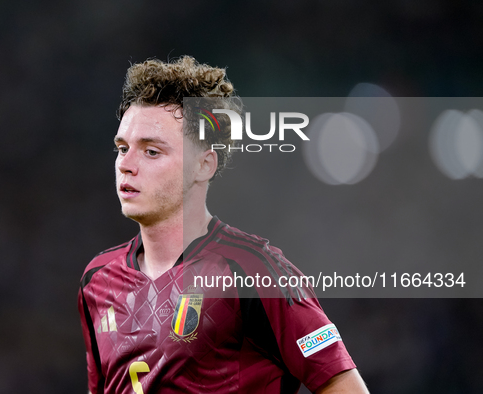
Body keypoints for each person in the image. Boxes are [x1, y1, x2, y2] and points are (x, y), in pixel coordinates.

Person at [78, 56, 369, 393]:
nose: (126, 165)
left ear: (204, 165)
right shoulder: (97, 281)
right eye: (122, 148)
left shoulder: (252, 268)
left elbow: (344, 387)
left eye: (151, 151)